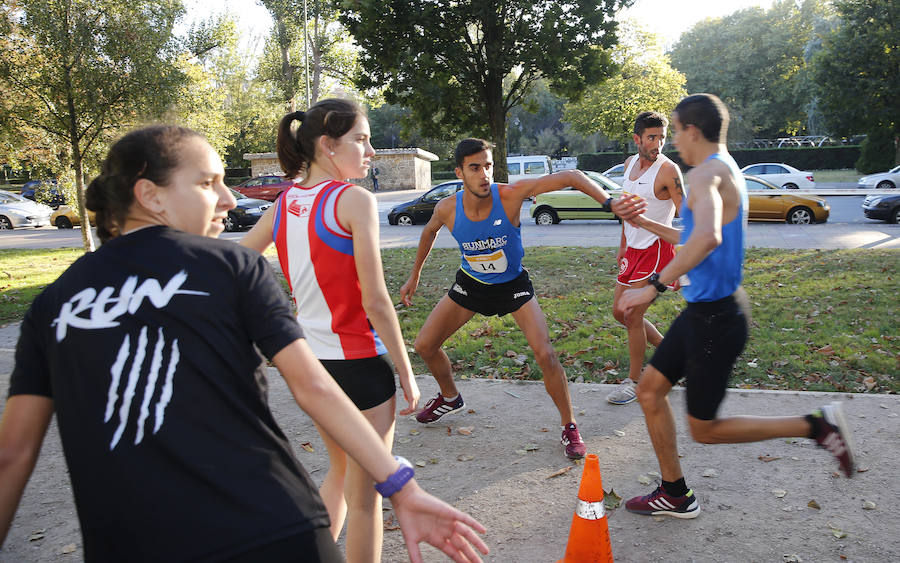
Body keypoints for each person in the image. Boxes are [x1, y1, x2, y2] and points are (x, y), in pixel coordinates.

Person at [0, 125, 489, 562]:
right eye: (208, 183)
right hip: (270, 528)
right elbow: (312, 388)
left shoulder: (52, 304)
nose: (230, 199)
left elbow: (13, 456)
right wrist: (400, 485)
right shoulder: (229, 267)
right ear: (150, 194)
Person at [616, 93, 856, 519]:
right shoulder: (726, 170)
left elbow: (707, 238)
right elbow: (692, 240)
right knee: (650, 393)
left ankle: (815, 425)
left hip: (716, 319)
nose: (672, 140)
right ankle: (675, 493)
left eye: (674, 131)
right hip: (703, 313)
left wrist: (654, 284)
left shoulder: (707, 174)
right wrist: (645, 223)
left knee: (704, 430)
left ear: (692, 130)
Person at [241, 99, 420, 563]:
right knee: (366, 500)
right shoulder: (353, 200)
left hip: (312, 369)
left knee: (339, 475)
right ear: (327, 145)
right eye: (361, 140)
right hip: (360, 368)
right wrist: (406, 369)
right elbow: (377, 301)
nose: (371, 151)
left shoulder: (284, 205)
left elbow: (233, 263)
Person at [400, 138, 627, 460]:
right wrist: (414, 275)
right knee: (424, 345)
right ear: (459, 172)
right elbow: (429, 232)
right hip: (472, 284)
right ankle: (450, 397)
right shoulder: (447, 207)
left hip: (512, 286)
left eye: (488, 166)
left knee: (545, 354)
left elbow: (572, 177)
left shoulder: (509, 195)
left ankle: (570, 426)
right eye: (474, 167)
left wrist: (609, 203)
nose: (483, 174)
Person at [607, 111, 685, 406]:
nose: (658, 144)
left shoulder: (668, 171)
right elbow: (626, 213)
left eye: (662, 138)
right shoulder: (628, 166)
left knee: (632, 315)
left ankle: (634, 382)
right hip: (633, 251)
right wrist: (623, 245)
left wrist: (652, 227)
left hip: (656, 250)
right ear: (637, 139)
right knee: (619, 312)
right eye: (652, 137)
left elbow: (687, 218)